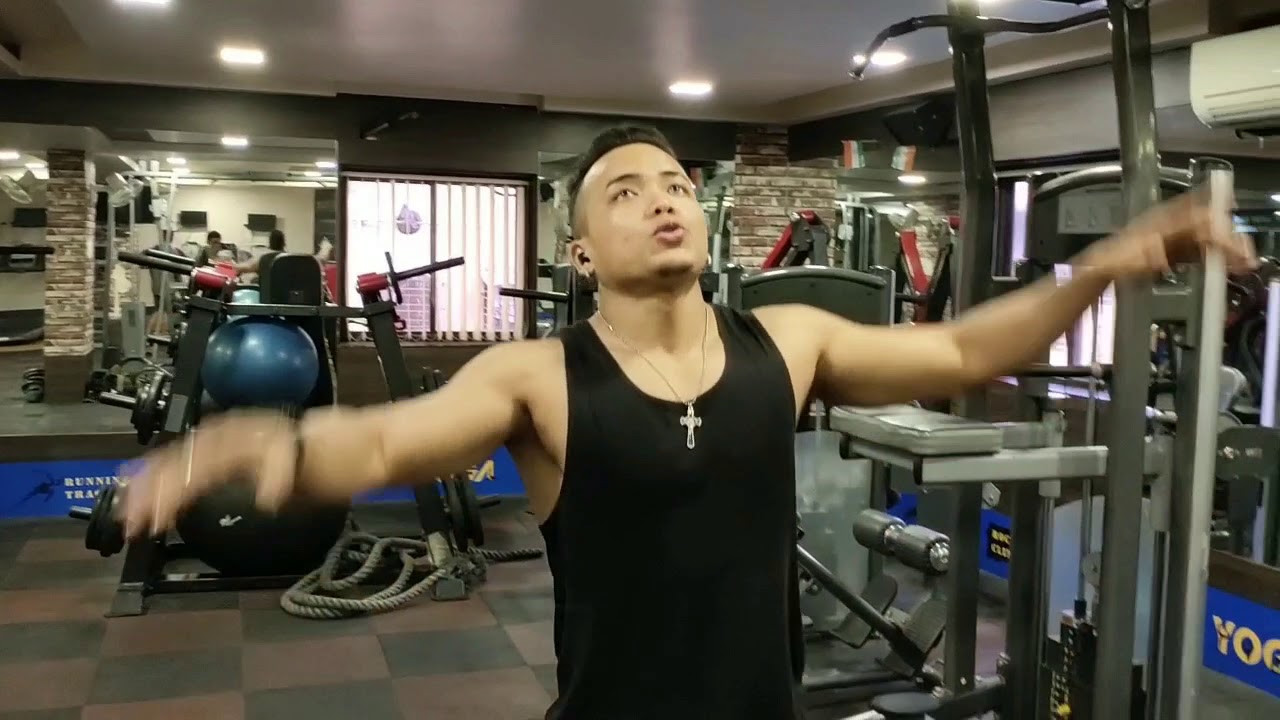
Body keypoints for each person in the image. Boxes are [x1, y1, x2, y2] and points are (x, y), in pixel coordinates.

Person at [119, 126, 1253, 720]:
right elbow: (380, 442)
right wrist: (265, 443)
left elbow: (962, 352)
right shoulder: (537, 376)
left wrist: (1105, 266)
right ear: (579, 253)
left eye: (672, 184)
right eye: (625, 192)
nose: (661, 199)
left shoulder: (790, 343)